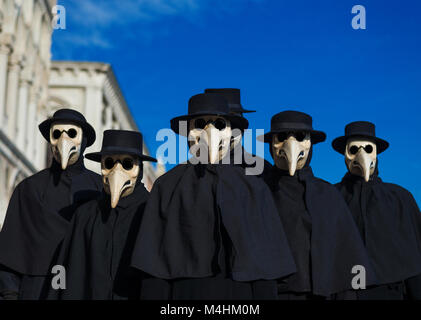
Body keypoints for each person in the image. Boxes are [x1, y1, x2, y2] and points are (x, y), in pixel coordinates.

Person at [132, 93, 296, 300]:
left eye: (219, 124)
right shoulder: (167, 186)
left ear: (230, 132)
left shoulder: (254, 187)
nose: (210, 132)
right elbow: (153, 265)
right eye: (200, 124)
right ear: (187, 132)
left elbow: (265, 265)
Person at [261, 111, 375, 299]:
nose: (291, 145)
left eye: (300, 137)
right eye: (281, 137)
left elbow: (346, 253)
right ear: (271, 145)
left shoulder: (328, 195)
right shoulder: (258, 191)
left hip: (323, 294)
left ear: (311, 144)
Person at [0, 109, 102, 300]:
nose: (64, 140)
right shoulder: (29, 189)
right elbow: (10, 249)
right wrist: (10, 293)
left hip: (86, 287)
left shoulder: (100, 190)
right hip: (36, 289)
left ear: (84, 140)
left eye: (71, 133)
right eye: (57, 134)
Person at [50, 130, 156, 300]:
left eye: (127, 164)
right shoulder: (85, 215)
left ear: (139, 169)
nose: (116, 171)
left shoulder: (154, 212)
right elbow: (66, 268)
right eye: (109, 163)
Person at [332, 121, 421, 300]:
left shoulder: (400, 198)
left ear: (376, 153)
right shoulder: (331, 196)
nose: (361, 154)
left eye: (367, 148)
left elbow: (416, 253)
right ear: (345, 155)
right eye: (354, 149)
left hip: (390, 292)